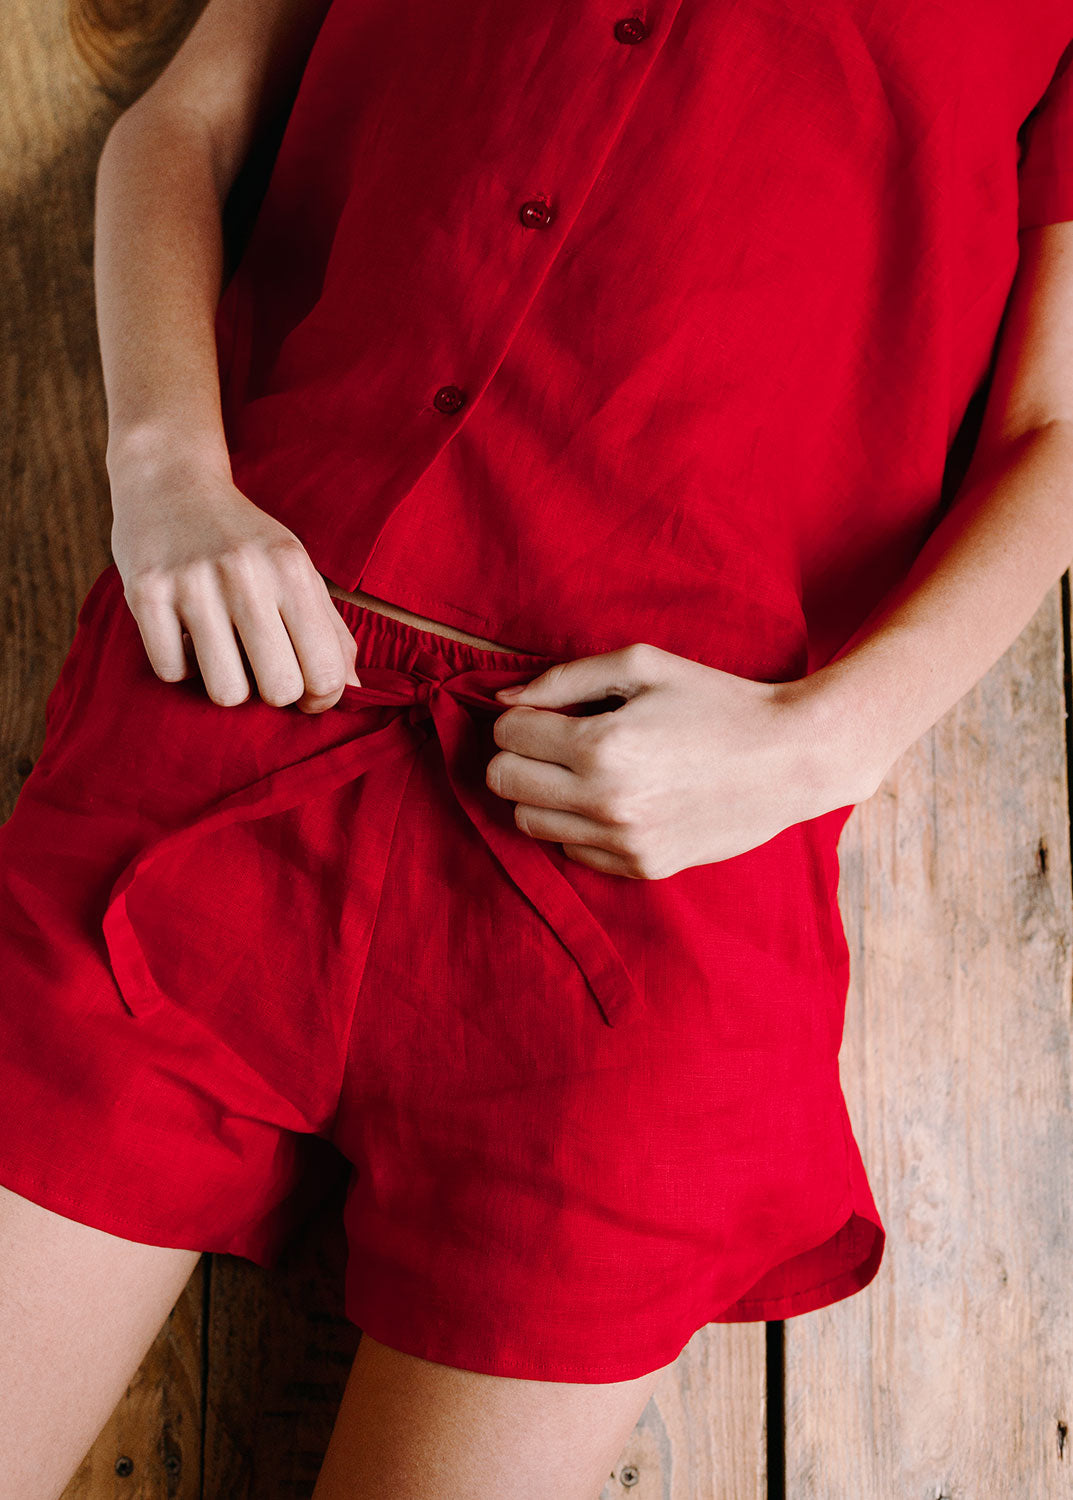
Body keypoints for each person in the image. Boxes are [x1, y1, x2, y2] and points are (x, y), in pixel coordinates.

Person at [2, 0, 1072, 1495]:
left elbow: (1057, 426)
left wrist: (819, 747)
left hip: (662, 861)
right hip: (237, 706)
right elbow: (186, 119)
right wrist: (165, 467)